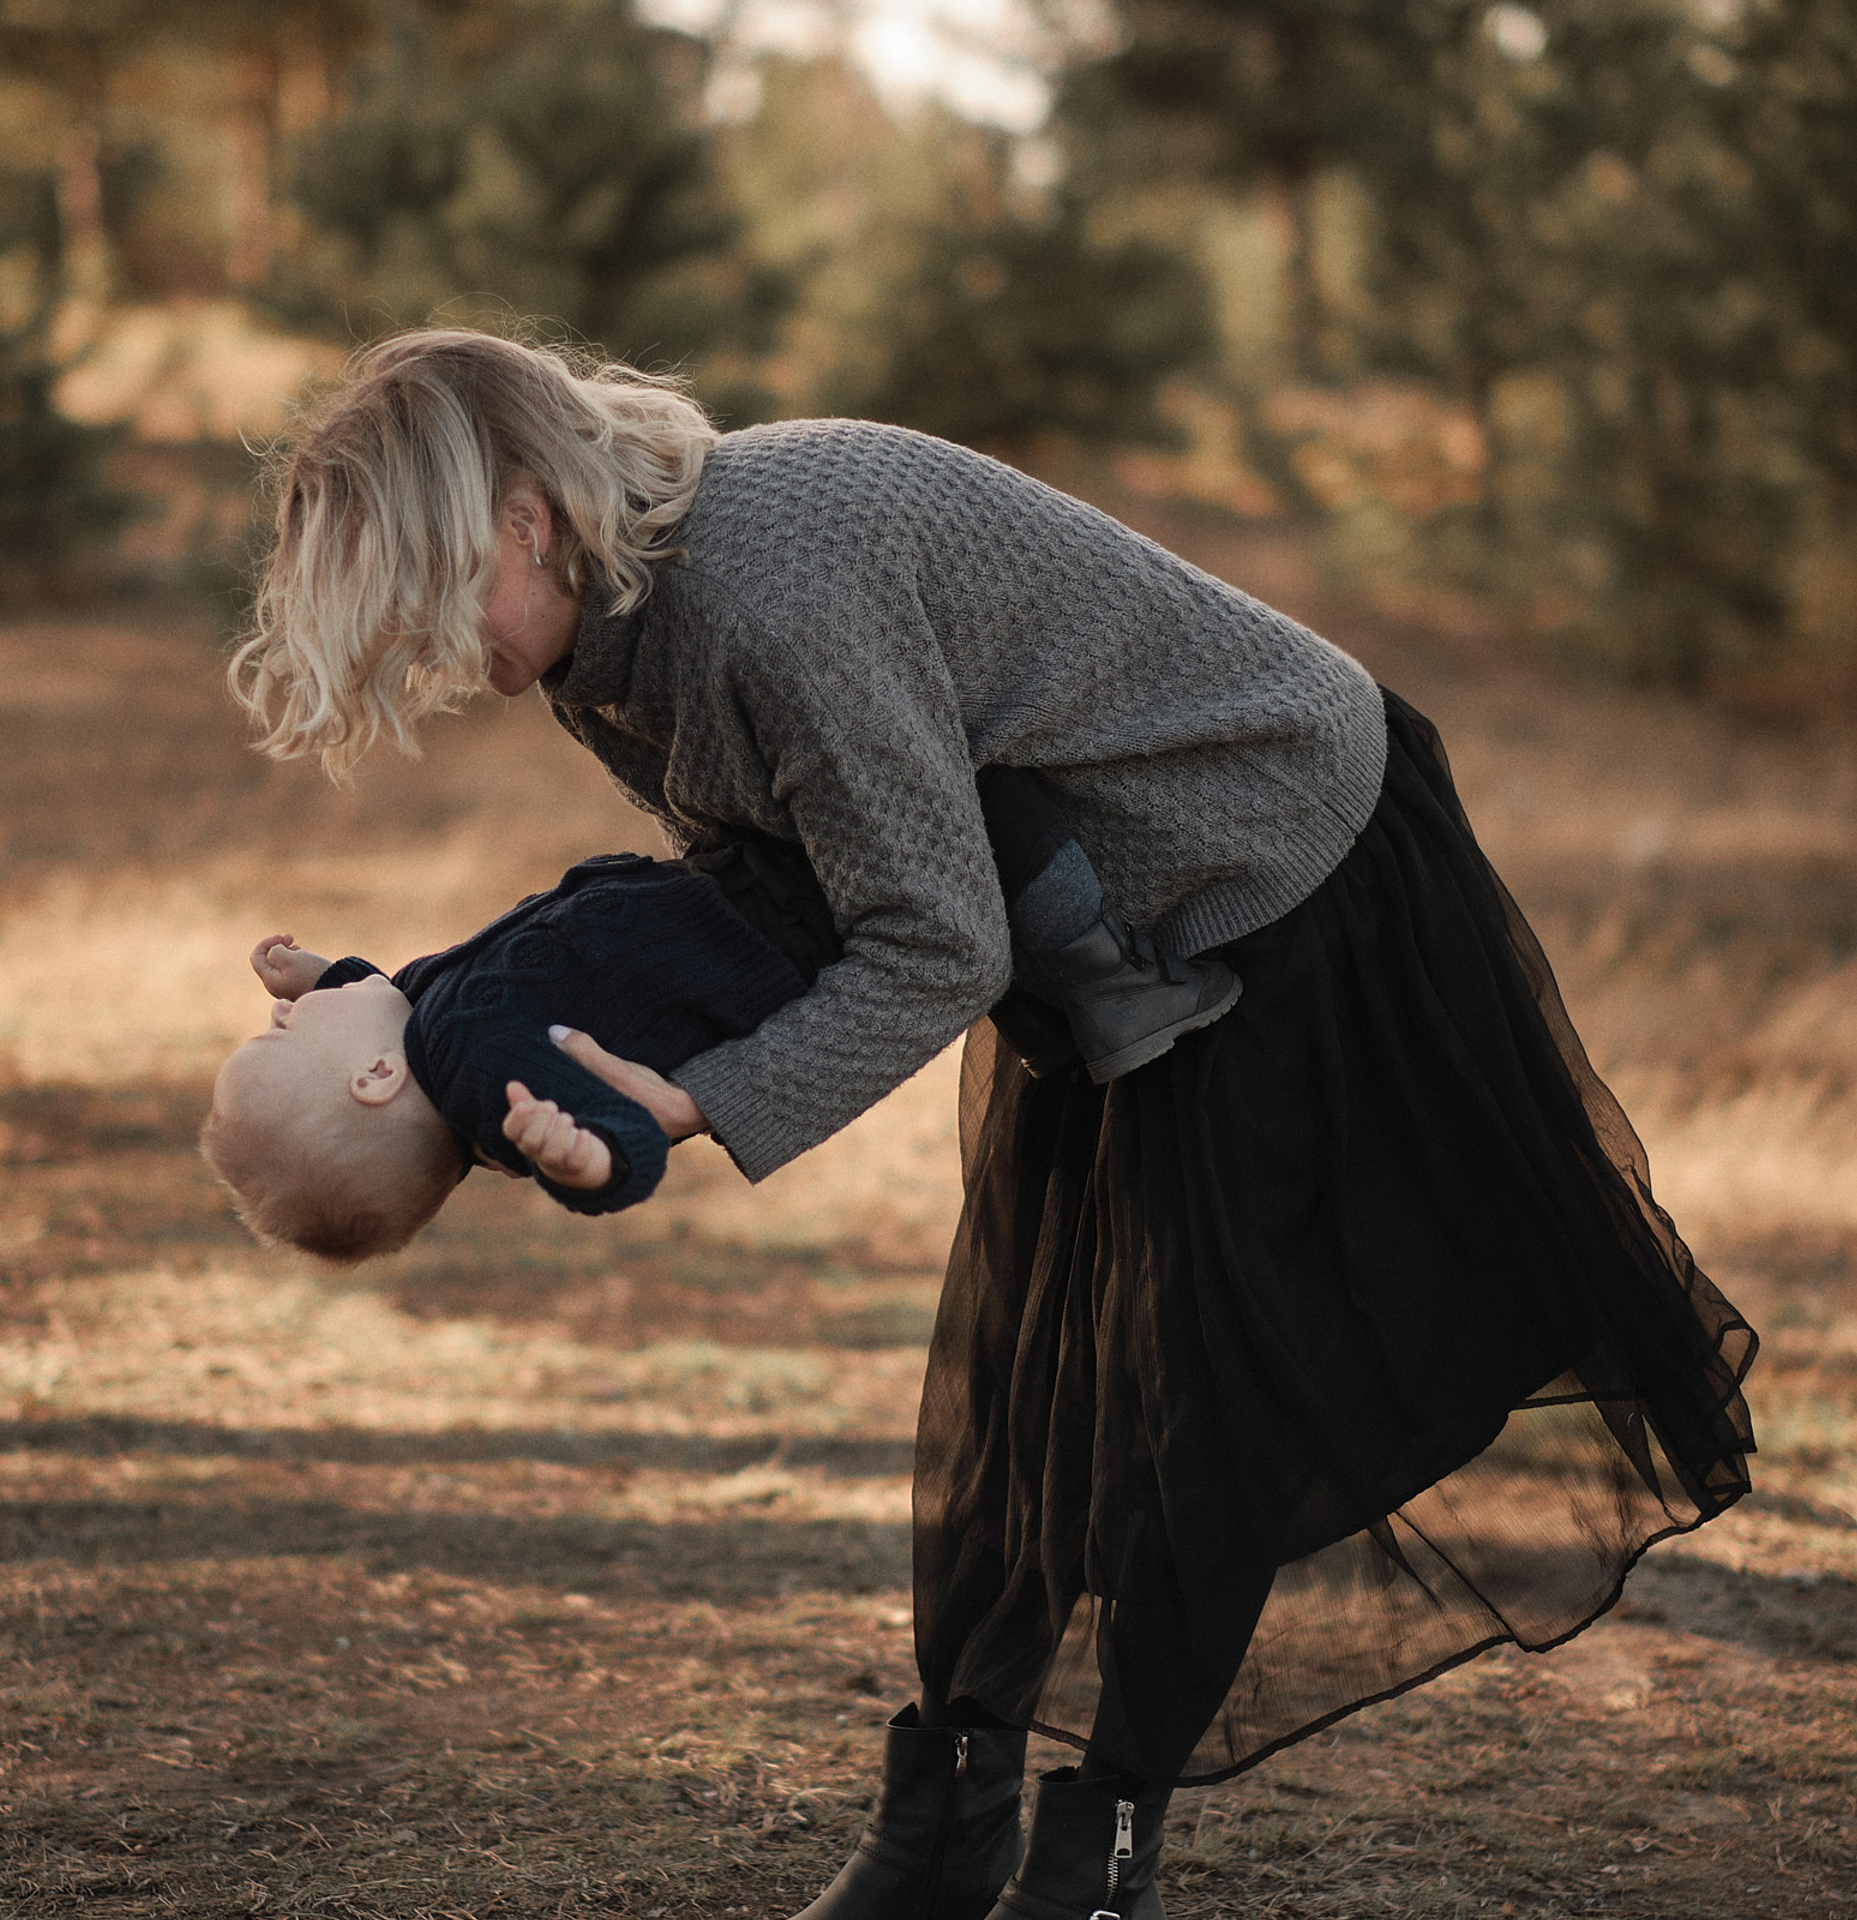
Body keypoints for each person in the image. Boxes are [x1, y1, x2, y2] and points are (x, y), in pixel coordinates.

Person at [229, 327, 1755, 1920]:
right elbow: (777, 888)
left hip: (1271, 871)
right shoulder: (600, 645)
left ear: (529, 520)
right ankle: (946, 1819)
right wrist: (416, 1008)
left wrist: (705, 1103)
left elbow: (929, 942)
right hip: (1075, 929)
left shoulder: (766, 588)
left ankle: (1101, 1844)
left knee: (1199, 1397)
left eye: (436, 599)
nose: (436, 654)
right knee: (1027, 1402)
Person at [202, 794, 1240, 1264]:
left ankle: (1060, 1003)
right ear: (377, 1080)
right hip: (765, 934)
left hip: (735, 904)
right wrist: (587, 1160)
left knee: (959, 844)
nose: (290, 1009)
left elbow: (379, 986)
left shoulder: (430, 1022)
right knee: (976, 815)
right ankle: (1114, 987)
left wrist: (323, 972)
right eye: (287, 1033)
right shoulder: (482, 1067)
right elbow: (631, 1142)